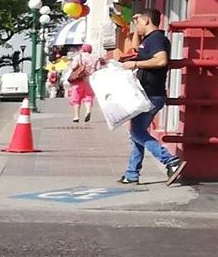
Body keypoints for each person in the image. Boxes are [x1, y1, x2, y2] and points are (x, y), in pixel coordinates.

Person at [113, 10, 184, 185]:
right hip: (147, 93)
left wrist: (135, 64)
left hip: (152, 94)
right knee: (138, 133)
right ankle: (131, 173)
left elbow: (161, 60)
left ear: (146, 20)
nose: (135, 25)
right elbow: (136, 50)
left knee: (137, 132)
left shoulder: (157, 39)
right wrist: (136, 31)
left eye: (137, 22)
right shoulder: (149, 40)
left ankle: (171, 161)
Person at [65, 43, 102, 123]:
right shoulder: (95, 58)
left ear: (83, 49)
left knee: (76, 98)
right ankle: (88, 111)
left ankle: (76, 116)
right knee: (88, 97)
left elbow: (73, 67)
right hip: (90, 80)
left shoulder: (79, 57)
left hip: (79, 80)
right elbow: (98, 69)